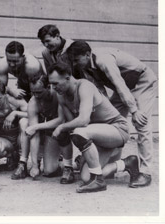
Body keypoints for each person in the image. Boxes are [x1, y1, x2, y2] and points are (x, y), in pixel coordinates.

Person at [66, 40, 158, 187]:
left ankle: (145, 172)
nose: (75, 64)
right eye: (73, 61)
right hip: (125, 88)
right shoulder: (87, 66)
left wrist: (134, 110)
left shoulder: (103, 60)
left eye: (77, 60)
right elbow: (100, 91)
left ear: (87, 54)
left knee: (142, 123)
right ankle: (113, 162)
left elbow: (119, 84)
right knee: (112, 123)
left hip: (143, 82)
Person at [48, 61, 139, 193]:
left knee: (79, 131)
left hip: (117, 129)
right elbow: (72, 123)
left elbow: (83, 120)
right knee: (86, 177)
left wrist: (61, 127)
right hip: (98, 137)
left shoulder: (85, 86)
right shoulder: (61, 95)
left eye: (56, 83)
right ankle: (127, 163)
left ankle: (99, 181)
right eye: (51, 83)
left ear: (67, 77)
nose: (53, 87)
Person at [25, 74, 74, 183]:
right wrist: (34, 166)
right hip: (52, 132)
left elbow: (60, 120)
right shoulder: (33, 103)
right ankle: (63, 163)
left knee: (61, 129)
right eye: (33, 92)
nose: (36, 95)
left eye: (39, 92)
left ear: (48, 87)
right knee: (49, 171)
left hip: (70, 127)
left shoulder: (58, 95)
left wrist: (36, 126)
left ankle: (69, 167)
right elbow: (34, 134)